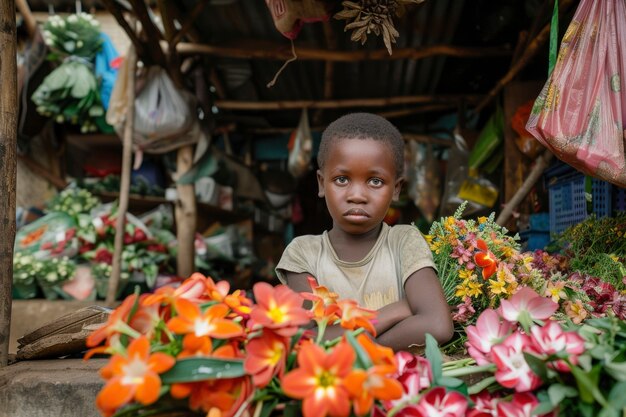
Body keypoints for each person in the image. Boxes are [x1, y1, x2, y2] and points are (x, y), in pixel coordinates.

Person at [276, 112, 454, 352]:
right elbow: (309, 339)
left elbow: (438, 325)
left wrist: (354, 345)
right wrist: (391, 313)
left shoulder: (403, 242)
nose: (357, 195)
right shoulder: (303, 254)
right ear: (321, 183)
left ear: (396, 189)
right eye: (341, 179)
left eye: (375, 182)